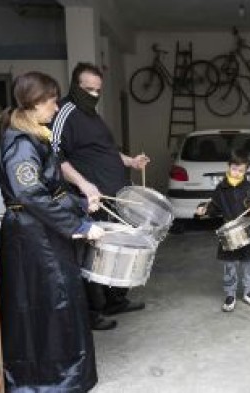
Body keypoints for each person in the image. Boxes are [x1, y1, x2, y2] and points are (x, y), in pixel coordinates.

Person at [0, 71, 104, 392]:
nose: (56, 108)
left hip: (44, 232)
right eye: (52, 101)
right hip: (31, 239)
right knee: (47, 304)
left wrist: (81, 204)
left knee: (61, 300)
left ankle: (67, 375)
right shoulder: (19, 143)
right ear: (34, 103)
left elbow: (49, 190)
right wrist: (78, 225)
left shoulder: (34, 136)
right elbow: (30, 194)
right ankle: (49, 380)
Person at [50, 62, 149, 330]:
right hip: (91, 200)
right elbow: (54, 156)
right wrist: (84, 185)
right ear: (75, 86)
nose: (94, 95)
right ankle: (92, 312)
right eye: (88, 89)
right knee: (91, 257)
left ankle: (115, 299)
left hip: (113, 196)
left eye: (98, 90)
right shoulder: (65, 112)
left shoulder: (92, 114)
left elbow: (104, 150)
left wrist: (130, 162)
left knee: (114, 249)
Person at [195, 148, 250, 312]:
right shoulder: (221, 189)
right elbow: (213, 207)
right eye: (234, 169)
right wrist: (203, 209)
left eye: (241, 170)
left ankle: (248, 292)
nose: (236, 173)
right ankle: (230, 294)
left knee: (249, 264)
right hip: (230, 234)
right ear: (228, 166)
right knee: (230, 265)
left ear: (246, 170)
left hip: (248, 231)